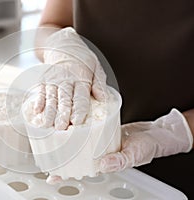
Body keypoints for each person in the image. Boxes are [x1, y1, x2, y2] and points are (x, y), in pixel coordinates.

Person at [34, 0, 194, 197]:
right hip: (93, 157)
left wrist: (173, 132)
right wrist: (61, 48)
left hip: (181, 170)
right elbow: (50, 24)